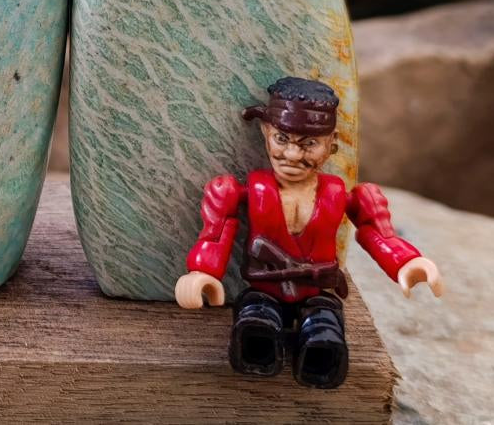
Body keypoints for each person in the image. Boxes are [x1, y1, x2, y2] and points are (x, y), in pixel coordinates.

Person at [173, 76, 444, 388]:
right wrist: (202, 272)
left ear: (331, 145)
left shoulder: (340, 195)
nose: (291, 155)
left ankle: (318, 363)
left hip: (317, 295)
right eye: (282, 139)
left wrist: (406, 262)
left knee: (324, 337)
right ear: (266, 133)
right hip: (264, 293)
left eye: (309, 144)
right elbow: (217, 232)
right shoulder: (242, 191)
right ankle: (258, 356)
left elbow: (377, 231)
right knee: (255, 327)